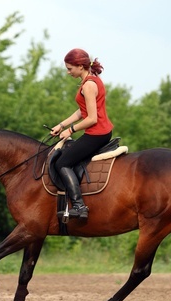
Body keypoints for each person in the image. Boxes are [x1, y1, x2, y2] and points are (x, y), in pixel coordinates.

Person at [50, 48, 114, 222]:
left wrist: (70, 131)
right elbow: (81, 111)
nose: (68, 72)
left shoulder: (89, 85)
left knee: (62, 162)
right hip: (99, 131)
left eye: (70, 68)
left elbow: (92, 119)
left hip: (97, 133)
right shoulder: (90, 81)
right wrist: (61, 124)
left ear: (80, 66)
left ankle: (79, 206)